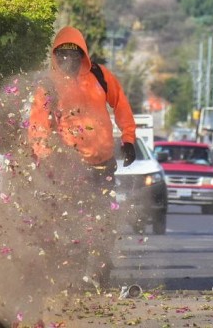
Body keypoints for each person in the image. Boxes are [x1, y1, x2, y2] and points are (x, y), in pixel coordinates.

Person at [27, 26, 137, 285]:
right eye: (62, 55)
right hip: (69, 167)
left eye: (73, 55)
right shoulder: (48, 87)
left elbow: (121, 104)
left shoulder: (100, 76)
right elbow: (39, 126)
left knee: (103, 220)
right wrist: (47, 157)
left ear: (82, 56)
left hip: (104, 164)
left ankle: (100, 271)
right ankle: (69, 273)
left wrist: (129, 139)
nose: (67, 61)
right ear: (55, 57)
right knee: (70, 220)